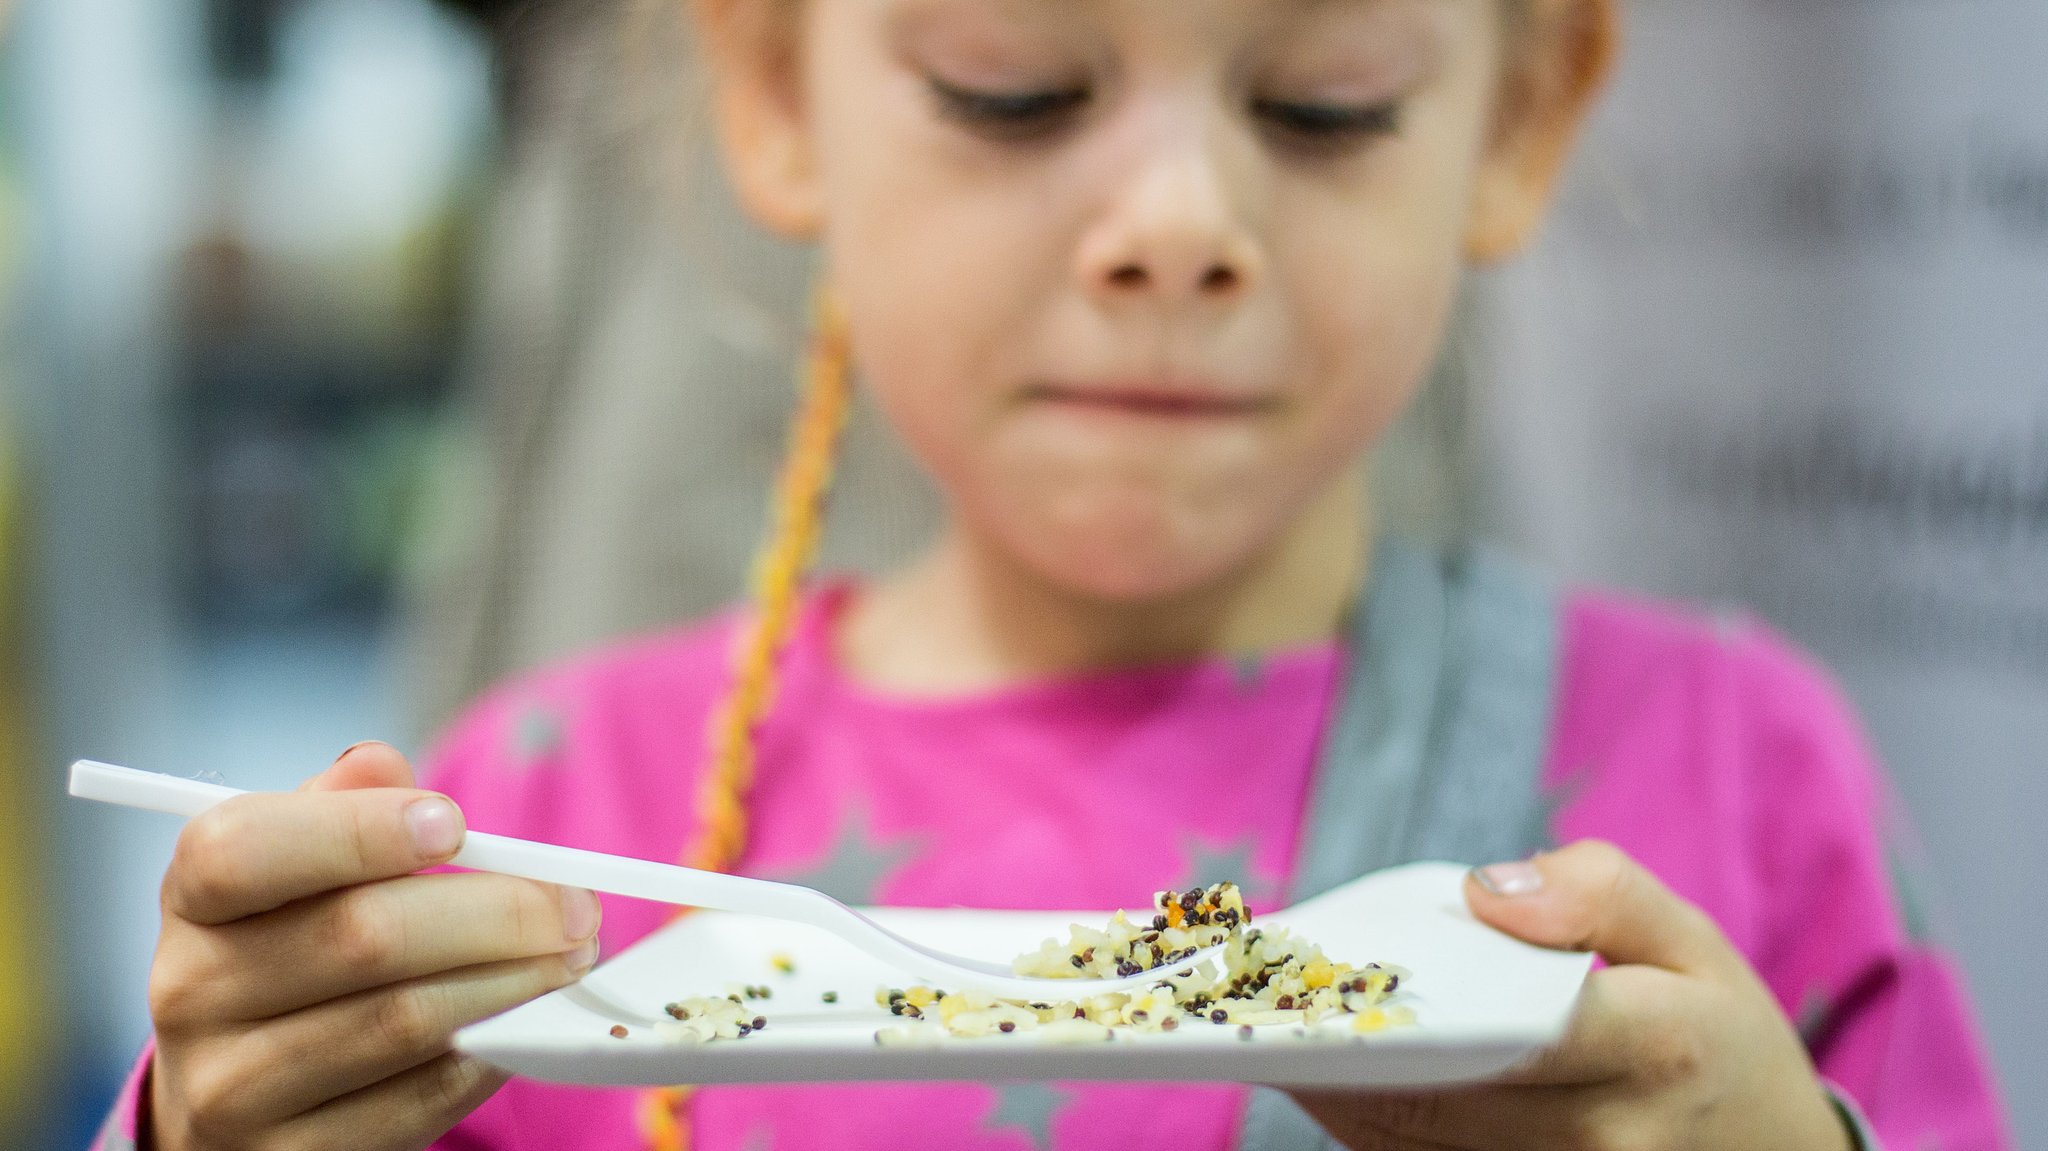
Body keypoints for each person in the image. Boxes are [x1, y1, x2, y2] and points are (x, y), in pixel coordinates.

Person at [96, 1, 2014, 1149]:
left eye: (1325, 101)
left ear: (1515, 117)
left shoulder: (1734, 775)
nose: (1176, 229)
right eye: (1014, 85)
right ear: (776, 86)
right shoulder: (528, 822)